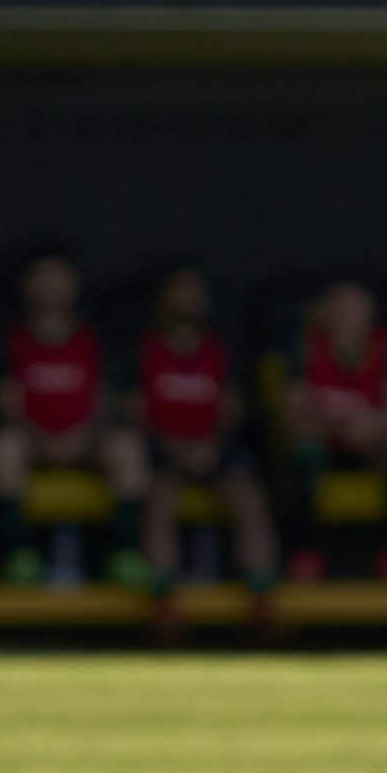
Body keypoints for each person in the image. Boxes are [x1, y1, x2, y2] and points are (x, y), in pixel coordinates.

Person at [128, 264, 276, 629]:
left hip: (214, 452)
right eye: (179, 291)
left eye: (194, 292)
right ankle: (164, 602)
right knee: (159, 497)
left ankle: (262, 599)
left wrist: (210, 449)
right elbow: (133, 411)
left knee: (248, 496)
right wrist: (174, 449)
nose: (187, 301)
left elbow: (232, 409)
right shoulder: (144, 349)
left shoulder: (221, 350)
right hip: (163, 453)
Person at [0, 248, 133, 588]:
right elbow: (7, 401)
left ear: (75, 284)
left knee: (126, 447)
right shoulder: (10, 337)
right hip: (32, 441)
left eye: (58, 276)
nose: (50, 286)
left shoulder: (94, 336)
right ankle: (21, 553)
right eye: (41, 277)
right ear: (24, 286)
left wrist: (84, 436)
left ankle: (122, 554)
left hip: (86, 440)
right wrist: (43, 440)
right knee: (4, 447)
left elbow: (105, 400)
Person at [277, 277, 387, 582]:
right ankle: (305, 552)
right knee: (304, 441)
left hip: (370, 447)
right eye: (338, 308)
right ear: (323, 312)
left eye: (355, 309)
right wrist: (335, 423)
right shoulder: (304, 346)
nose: (346, 316)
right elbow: (291, 408)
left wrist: (374, 422)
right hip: (323, 444)